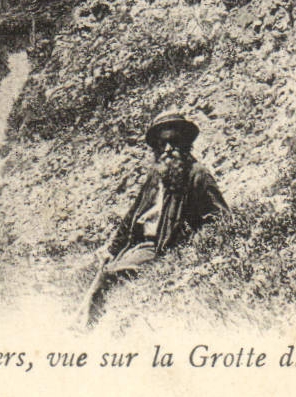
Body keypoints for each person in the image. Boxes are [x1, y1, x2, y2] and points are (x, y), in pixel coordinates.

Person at [81, 110, 227, 327]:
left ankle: (91, 328)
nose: (168, 150)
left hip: (162, 246)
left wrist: (195, 244)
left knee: (111, 277)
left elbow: (221, 217)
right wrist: (111, 249)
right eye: (162, 144)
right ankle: (83, 326)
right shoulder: (156, 174)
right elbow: (132, 215)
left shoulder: (197, 175)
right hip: (138, 244)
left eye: (174, 143)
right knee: (100, 276)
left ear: (186, 144)